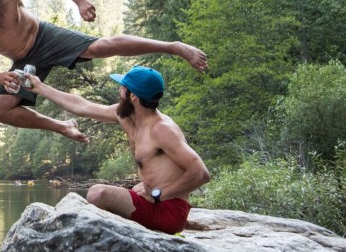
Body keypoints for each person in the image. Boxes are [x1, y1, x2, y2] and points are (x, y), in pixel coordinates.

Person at [0, 0, 207, 142]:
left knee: (101, 47)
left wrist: (80, 0)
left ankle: (174, 47)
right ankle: (62, 126)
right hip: (25, 62)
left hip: (44, 36)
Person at [26, 65, 210, 234]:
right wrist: (40, 87)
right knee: (100, 199)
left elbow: (200, 173)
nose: (119, 90)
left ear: (133, 96)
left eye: (123, 88)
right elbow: (81, 106)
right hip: (153, 203)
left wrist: (158, 194)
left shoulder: (162, 130)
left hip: (169, 210)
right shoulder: (126, 116)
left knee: (98, 193)